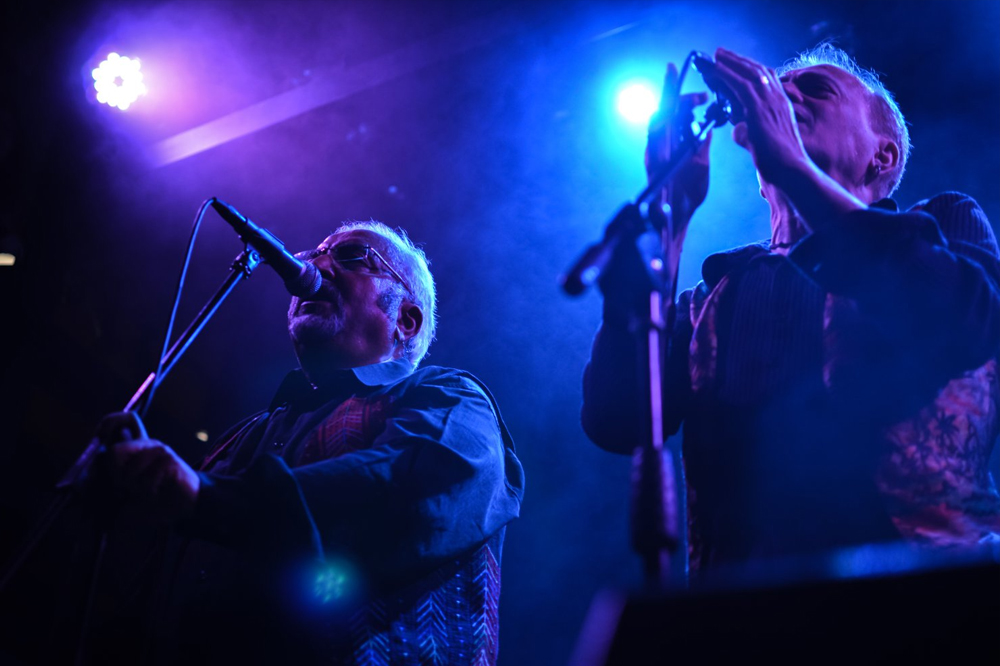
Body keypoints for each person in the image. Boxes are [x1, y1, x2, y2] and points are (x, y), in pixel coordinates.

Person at [581, 44, 1000, 571]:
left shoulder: (946, 225)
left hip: (929, 610)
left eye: (816, 90)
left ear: (883, 156)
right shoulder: (711, 297)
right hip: (743, 625)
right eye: (780, 91)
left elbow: (965, 319)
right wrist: (671, 218)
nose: (785, 95)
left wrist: (795, 165)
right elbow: (615, 418)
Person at [98, 221, 524, 664]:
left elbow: (409, 482)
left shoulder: (452, 398)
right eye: (315, 253)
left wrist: (210, 499)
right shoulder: (244, 436)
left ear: (405, 320)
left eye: (352, 256)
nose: (316, 264)